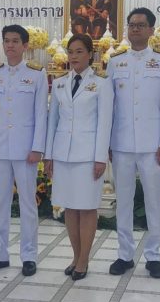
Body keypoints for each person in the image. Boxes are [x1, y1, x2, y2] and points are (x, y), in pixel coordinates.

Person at [106, 7, 160, 279]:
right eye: (131, 24)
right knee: (123, 201)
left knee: (153, 201)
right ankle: (125, 255)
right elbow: (109, 106)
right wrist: (108, 142)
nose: (135, 29)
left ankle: (154, 256)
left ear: (151, 30)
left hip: (152, 145)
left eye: (140, 25)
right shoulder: (115, 62)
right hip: (121, 143)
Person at [0, 25, 48, 276]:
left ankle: (29, 255)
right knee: (0, 203)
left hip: (25, 149)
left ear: (25, 45)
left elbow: (41, 114)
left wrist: (37, 148)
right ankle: (0, 254)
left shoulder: (37, 74)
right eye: (6, 41)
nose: (10, 45)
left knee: (28, 204)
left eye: (15, 41)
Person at [45, 34, 113, 281]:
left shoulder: (102, 84)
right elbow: (52, 122)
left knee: (87, 208)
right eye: (71, 51)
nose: (74, 56)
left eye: (79, 51)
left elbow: (105, 123)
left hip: (88, 155)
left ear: (90, 54)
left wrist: (100, 158)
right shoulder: (59, 83)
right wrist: (49, 155)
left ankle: (84, 259)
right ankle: (75, 256)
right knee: (70, 208)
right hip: (63, 153)